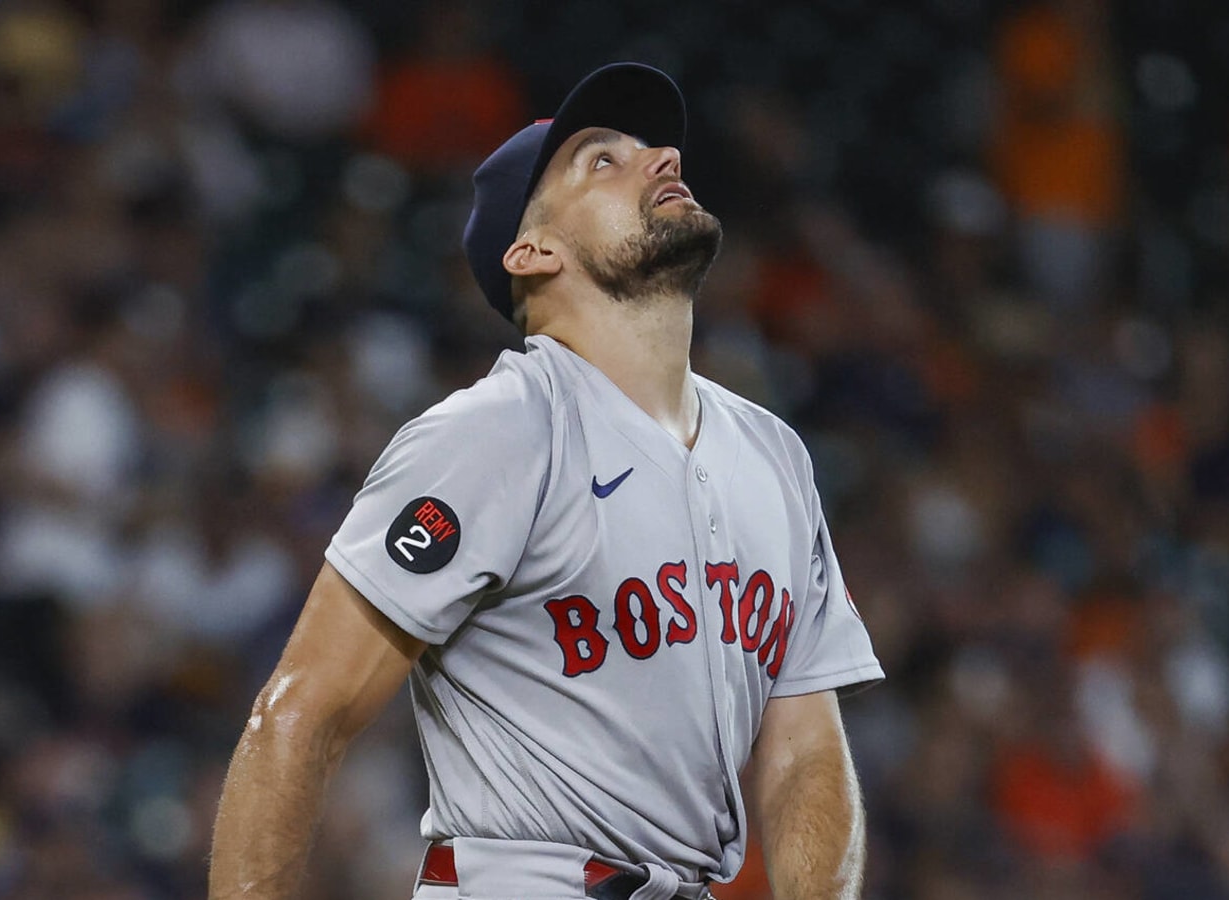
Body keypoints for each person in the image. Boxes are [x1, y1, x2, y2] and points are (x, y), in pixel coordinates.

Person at [208, 62, 884, 900]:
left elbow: (804, 752)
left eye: (654, 146)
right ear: (533, 251)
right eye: (603, 159)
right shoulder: (501, 429)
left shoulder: (773, 453)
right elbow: (299, 714)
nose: (661, 158)